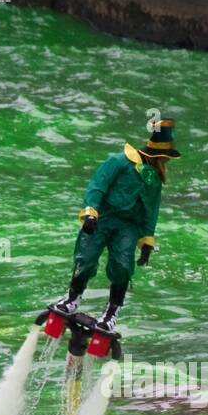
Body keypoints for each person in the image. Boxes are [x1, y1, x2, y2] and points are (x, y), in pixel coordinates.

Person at [51, 119, 180, 333]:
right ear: (159, 155)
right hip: (103, 218)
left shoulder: (154, 177)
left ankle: (111, 314)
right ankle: (72, 299)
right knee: (86, 257)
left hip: (128, 227)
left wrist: (147, 240)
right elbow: (98, 185)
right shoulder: (119, 161)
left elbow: (152, 210)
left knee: (122, 266)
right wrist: (90, 212)